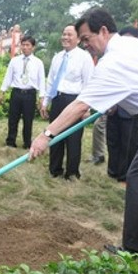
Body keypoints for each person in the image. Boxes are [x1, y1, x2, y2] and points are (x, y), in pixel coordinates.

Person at [29, 7, 138, 255]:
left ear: (103, 31)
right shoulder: (131, 44)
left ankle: (135, 251)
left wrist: (45, 136)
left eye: (86, 39)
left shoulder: (112, 62)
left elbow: (80, 104)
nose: (86, 46)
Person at [40, 25, 94, 180]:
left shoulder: (84, 57)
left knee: (73, 138)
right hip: (57, 98)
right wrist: (46, 102)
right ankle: (54, 169)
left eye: (69, 35)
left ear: (78, 39)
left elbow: (89, 83)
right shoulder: (58, 57)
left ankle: (72, 172)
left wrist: (86, 107)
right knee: (53, 134)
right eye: (64, 34)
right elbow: (51, 81)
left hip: (74, 101)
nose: (65, 37)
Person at [106, 26, 138, 182]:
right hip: (113, 109)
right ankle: (112, 170)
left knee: (128, 144)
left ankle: (124, 175)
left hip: (130, 112)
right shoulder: (115, 59)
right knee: (113, 141)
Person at [0, 36, 45, 149]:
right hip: (16, 93)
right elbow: (8, 77)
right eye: (23, 45)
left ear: (33, 47)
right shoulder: (15, 60)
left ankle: (27, 143)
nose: (25, 47)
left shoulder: (38, 63)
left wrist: (42, 97)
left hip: (30, 94)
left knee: (28, 120)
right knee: (13, 118)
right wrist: (2, 91)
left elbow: (42, 81)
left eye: (28, 45)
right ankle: (10, 141)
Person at [89, 48, 106, 165]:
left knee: (99, 126)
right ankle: (98, 155)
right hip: (109, 104)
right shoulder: (102, 61)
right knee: (98, 125)